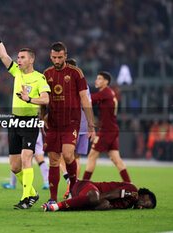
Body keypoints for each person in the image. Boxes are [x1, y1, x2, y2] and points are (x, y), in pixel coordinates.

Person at [0, 19, 50, 209]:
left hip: (31, 121)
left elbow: (46, 99)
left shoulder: (39, 78)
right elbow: (2, 55)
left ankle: (26, 199)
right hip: (15, 121)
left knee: (26, 158)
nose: (19, 59)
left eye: (22, 57)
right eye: (18, 57)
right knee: (15, 167)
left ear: (31, 59)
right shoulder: (17, 72)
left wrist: (29, 99)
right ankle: (32, 192)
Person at [41, 42, 95, 204]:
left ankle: (73, 188)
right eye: (54, 57)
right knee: (53, 160)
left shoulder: (76, 73)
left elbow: (85, 98)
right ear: (51, 57)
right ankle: (52, 198)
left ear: (65, 56)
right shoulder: (47, 73)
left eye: (60, 57)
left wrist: (91, 122)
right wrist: (42, 117)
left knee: (68, 155)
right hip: (53, 123)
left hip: (71, 122)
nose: (57, 60)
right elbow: (44, 99)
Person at [83, 72, 131, 182]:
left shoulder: (105, 92)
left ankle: (83, 185)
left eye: (99, 79)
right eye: (97, 78)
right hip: (112, 129)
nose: (96, 80)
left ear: (106, 82)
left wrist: (80, 93)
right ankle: (129, 184)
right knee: (116, 159)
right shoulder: (109, 92)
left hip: (106, 131)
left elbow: (89, 100)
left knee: (92, 156)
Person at [58, 58, 91, 199]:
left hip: (70, 124)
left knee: (59, 156)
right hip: (83, 125)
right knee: (76, 158)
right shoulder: (85, 85)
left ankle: (69, 182)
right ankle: (73, 189)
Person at [42, 180, 156, 211]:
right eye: (145, 205)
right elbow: (109, 194)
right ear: (145, 196)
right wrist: (91, 202)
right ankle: (56, 206)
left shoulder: (128, 204)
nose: (141, 207)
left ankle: (72, 202)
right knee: (96, 198)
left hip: (84, 194)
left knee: (103, 204)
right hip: (84, 185)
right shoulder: (133, 191)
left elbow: (108, 203)